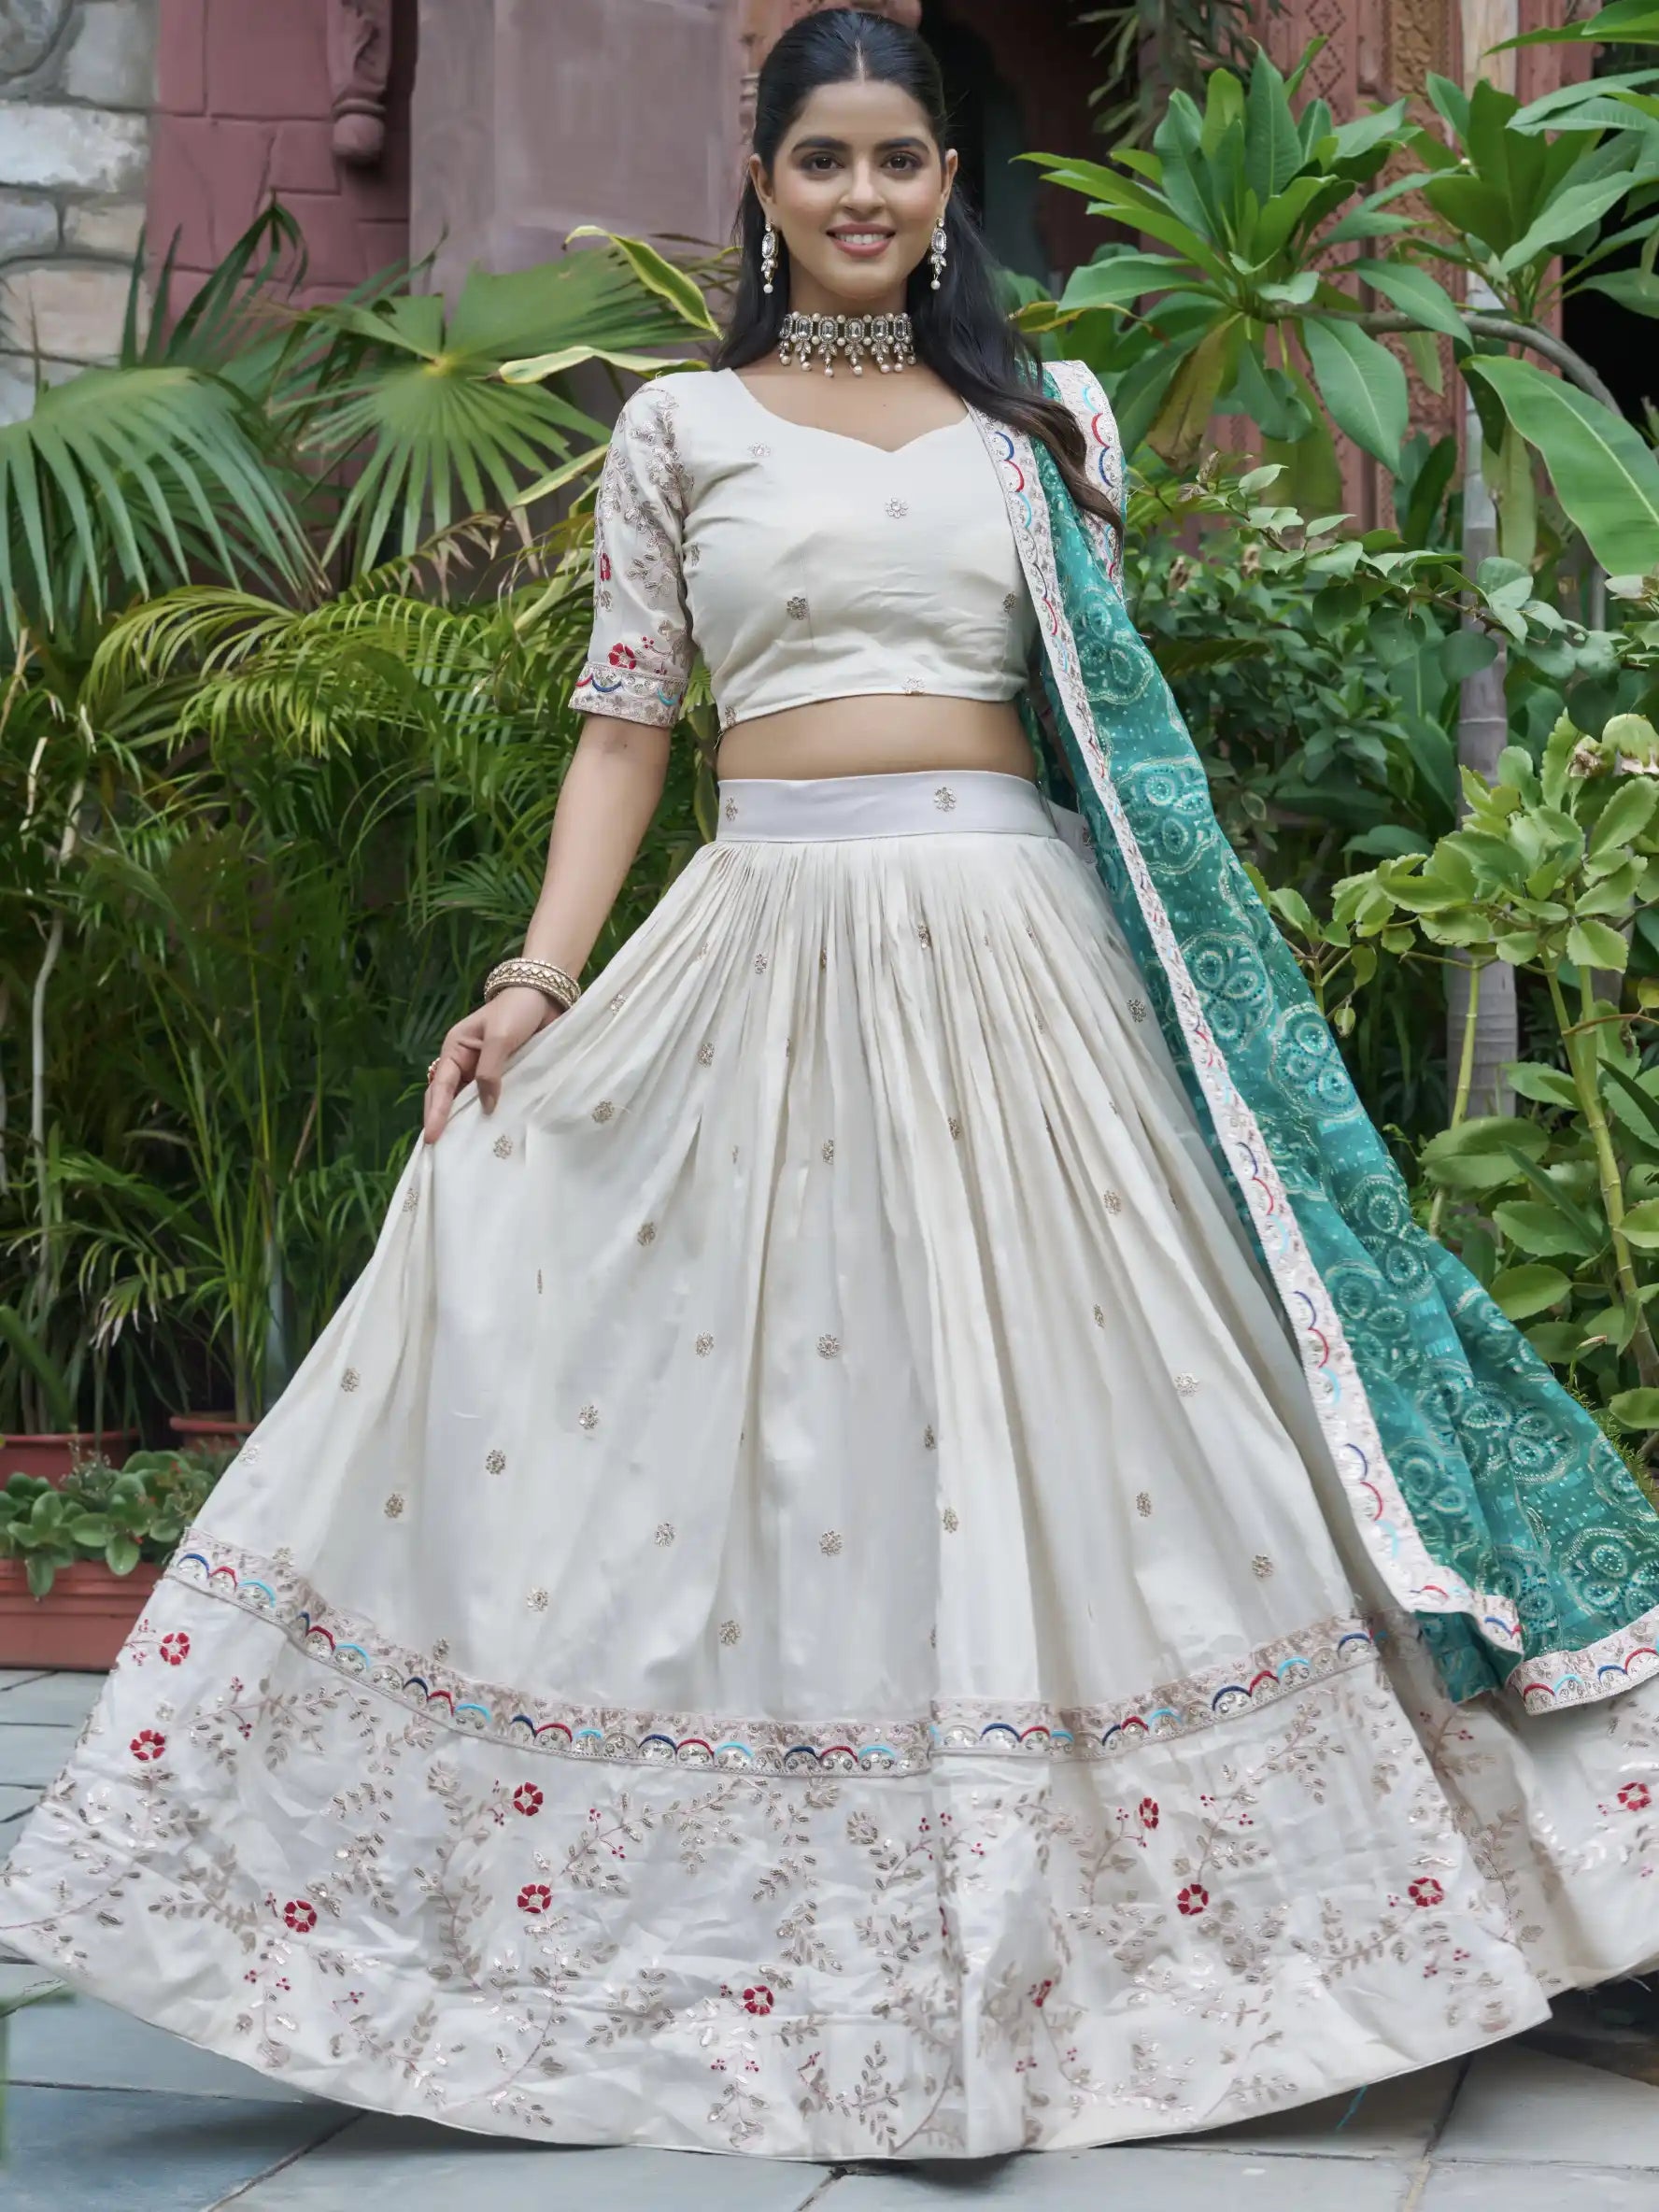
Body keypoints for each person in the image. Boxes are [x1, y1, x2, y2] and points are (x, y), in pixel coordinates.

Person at [7, 5, 1659, 2167]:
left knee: (1097, 1412)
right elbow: (625, 730)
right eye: (824, 164)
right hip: (759, 954)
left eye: (901, 159)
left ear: (946, 182)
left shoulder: (1043, 421)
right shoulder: (680, 427)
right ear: (766, 187)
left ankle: (1255, 1923)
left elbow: (1104, 730)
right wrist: (535, 976)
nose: (864, 196)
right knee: (743, 1406)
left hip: (1018, 960)